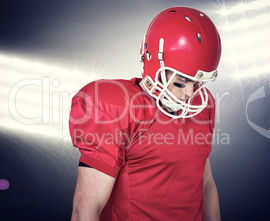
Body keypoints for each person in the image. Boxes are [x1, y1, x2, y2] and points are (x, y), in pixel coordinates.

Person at [69, 6, 222, 221]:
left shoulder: (203, 106)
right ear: (152, 59)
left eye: (197, 84)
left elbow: (205, 185)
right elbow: (85, 210)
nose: (189, 94)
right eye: (180, 82)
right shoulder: (119, 109)